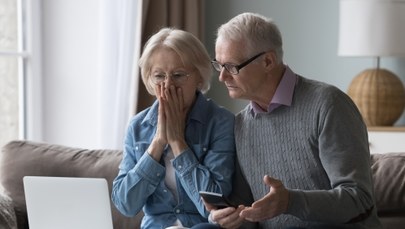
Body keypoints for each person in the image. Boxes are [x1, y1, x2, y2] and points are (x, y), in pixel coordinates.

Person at [201, 12, 383, 229]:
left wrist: (290, 202)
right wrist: (232, 216)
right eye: (219, 65)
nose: (222, 77)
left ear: (268, 61)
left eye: (232, 67)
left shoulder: (328, 105)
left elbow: (358, 199)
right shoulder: (241, 125)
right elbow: (249, 211)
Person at [111, 27, 236, 229]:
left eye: (178, 75)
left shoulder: (221, 122)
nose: (168, 85)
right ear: (149, 81)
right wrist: (158, 142)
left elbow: (212, 207)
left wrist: (178, 142)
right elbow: (125, 204)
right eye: (159, 76)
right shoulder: (137, 127)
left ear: (199, 77)